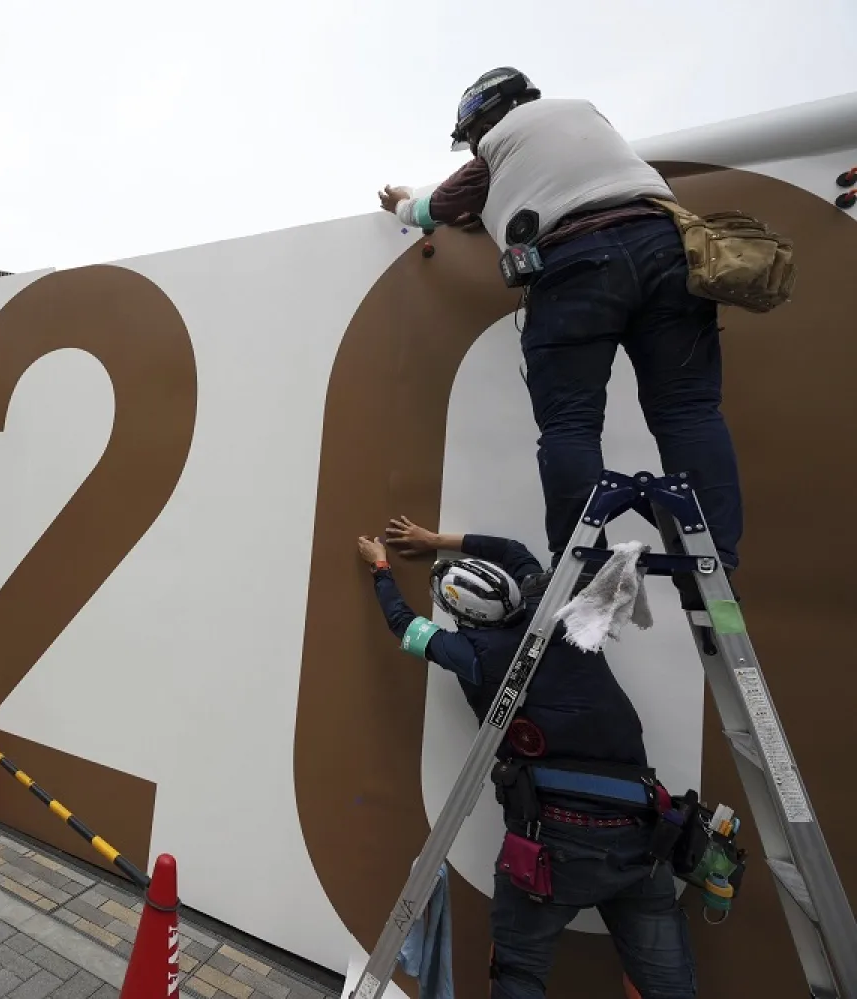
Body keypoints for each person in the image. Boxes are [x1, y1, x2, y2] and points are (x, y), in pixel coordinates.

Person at [376, 67, 743, 602]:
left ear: (483, 120)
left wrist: (403, 205)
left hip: (578, 262)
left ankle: (580, 562)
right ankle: (716, 556)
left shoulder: (499, 142)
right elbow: (563, 181)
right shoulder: (584, 114)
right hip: (668, 250)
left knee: (570, 424)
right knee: (688, 411)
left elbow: (440, 207)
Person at [355, 516, 697, 999]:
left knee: (518, 974)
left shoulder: (473, 651)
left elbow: (404, 624)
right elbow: (514, 550)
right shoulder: (552, 612)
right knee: (666, 985)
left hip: (554, 844)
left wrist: (382, 568)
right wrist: (437, 541)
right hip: (644, 834)